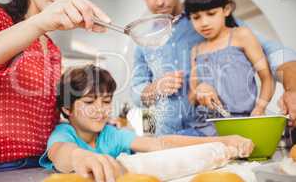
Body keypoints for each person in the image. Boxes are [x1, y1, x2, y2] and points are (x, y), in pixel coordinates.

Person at [131, 0, 296, 136]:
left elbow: (275, 52)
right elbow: (136, 92)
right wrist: (154, 88)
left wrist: (292, 89)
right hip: (166, 134)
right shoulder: (143, 40)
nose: (159, 1)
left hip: (217, 132)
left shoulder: (218, 23)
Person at [40, 64, 254, 181]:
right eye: (89, 102)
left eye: (106, 101)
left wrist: (225, 140)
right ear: (67, 109)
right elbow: (61, 153)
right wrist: (80, 156)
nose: (100, 109)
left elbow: (161, 143)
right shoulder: (64, 133)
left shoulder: (110, 134)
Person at [0, 0, 115, 172]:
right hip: (3, 165)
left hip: (44, 163)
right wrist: (40, 22)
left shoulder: (53, 50)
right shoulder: (0, 17)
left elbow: (47, 114)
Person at [186, 0, 274, 121]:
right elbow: (191, 98)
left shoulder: (241, 35)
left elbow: (267, 77)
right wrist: (199, 90)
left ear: (226, 10)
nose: (204, 23)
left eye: (211, 14)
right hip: (205, 125)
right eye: (196, 17)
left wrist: (260, 108)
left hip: (242, 121)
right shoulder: (196, 50)